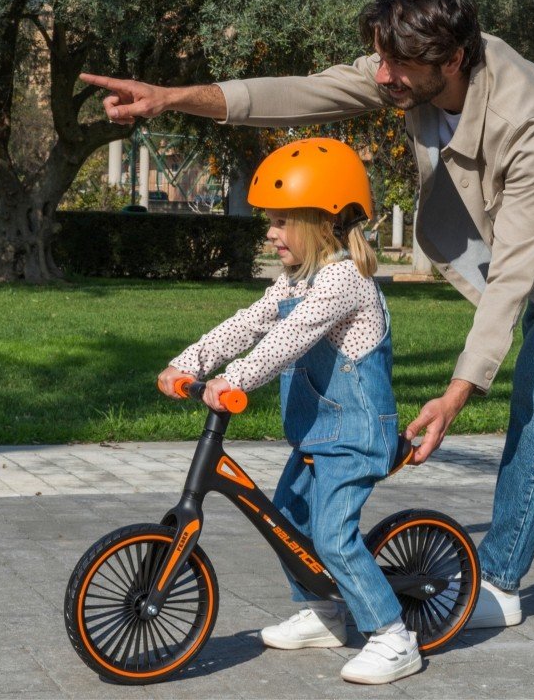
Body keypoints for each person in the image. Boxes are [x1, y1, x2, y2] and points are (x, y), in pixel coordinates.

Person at [84, 0, 534, 629]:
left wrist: (460, 389)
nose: (382, 77)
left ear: (453, 59)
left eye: (396, 66)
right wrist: (173, 97)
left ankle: (499, 582)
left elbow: (515, 269)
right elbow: (301, 92)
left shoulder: (526, 114)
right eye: (380, 59)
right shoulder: (408, 63)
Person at [157, 137, 422, 685]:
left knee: (330, 535)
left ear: (321, 223)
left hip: (355, 438)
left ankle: (394, 636)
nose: (270, 232)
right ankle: (326, 614)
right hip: (315, 437)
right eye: (269, 222)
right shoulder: (295, 280)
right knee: (287, 522)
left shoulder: (346, 279)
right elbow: (249, 323)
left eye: (281, 221)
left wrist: (235, 379)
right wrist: (187, 362)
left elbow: (289, 338)